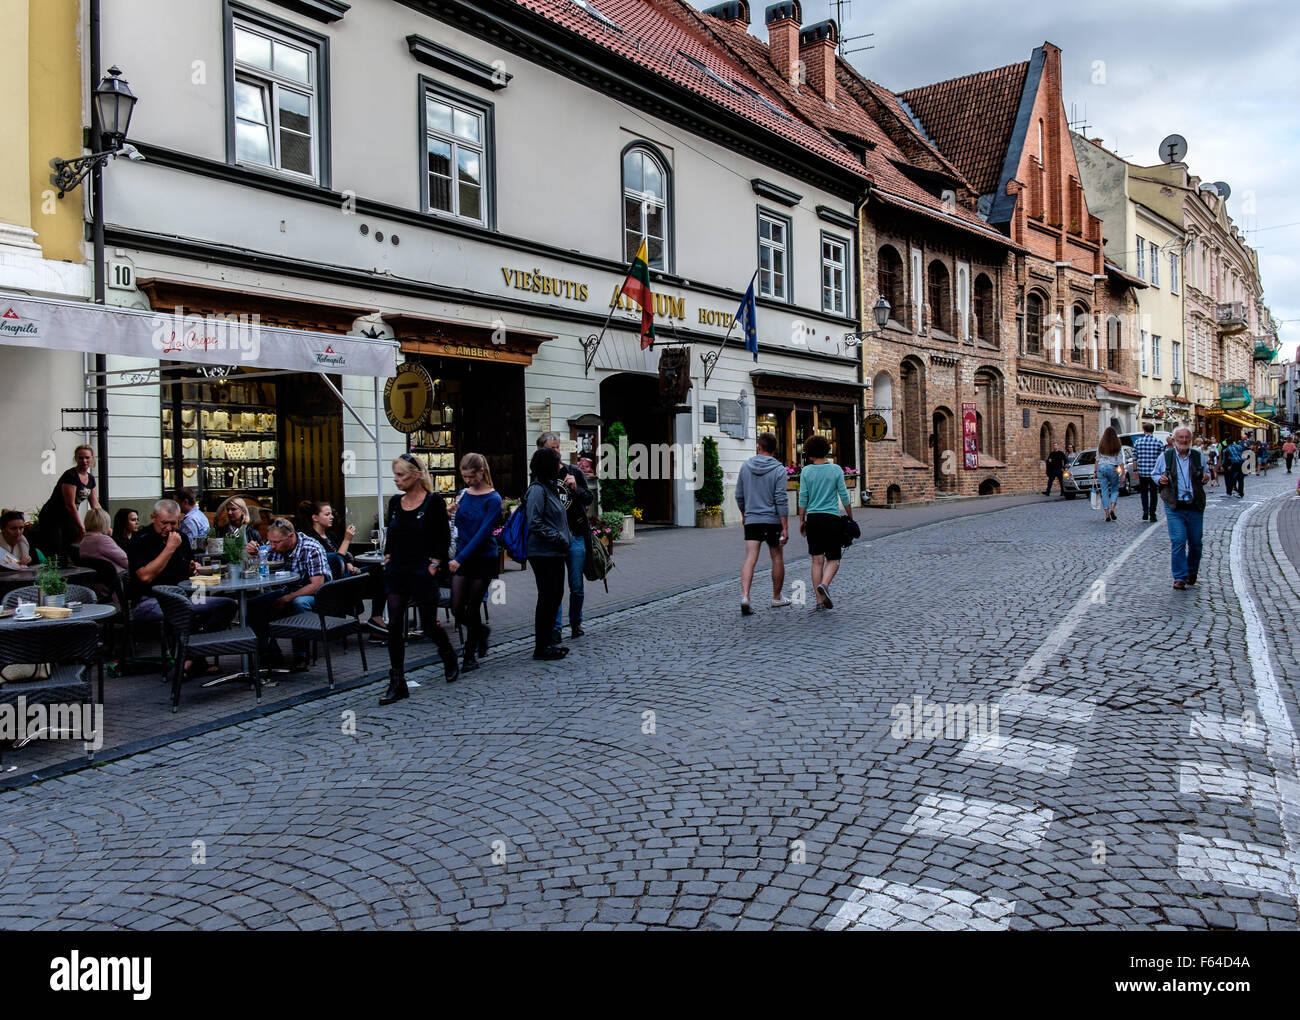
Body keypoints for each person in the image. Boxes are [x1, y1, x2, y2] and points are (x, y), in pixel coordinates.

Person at [378, 454, 459, 705]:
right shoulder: (394, 502)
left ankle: (447, 654)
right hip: (398, 571)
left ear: (415, 475)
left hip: (421, 571)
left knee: (427, 624)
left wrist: (434, 565)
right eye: (395, 475)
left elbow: (442, 538)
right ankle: (397, 680)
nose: (396, 480)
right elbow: (391, 532)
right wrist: (388, 555)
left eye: (401, 475)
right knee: (394, 625)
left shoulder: (433, 502)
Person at [128, 499, 237, 675]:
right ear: (153, 518)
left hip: (185, 595)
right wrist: (169, 549)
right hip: (149, 600)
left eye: (173, 523)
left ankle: (193, 656)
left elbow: (185, 571)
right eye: (164, 523)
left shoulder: (182, 538)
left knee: (227, 605)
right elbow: (145, 576)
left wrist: (191, 568)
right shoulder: (140, 540)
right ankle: (190, 661)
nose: (169, 528)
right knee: (183, 611)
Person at [244, 518, 330, 673]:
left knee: (299, 603)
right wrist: (253, 554)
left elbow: (317, 584)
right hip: (285, 589)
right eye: (270, 542)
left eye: (276, 542)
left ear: (291, 536)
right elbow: (258, 568)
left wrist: (286, 599)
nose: (272, 546)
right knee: (253, 605)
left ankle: (301, 655)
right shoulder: (273, 548)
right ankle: (268, 652)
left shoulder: (311, 547)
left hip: (316, 594)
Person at [447, 453, 502, 672]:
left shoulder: (493, 499)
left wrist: (459, 559)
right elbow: (456, 525)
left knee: (472, 607)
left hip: (483, 558)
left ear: (482, 472)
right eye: (464, 477)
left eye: (471, 477)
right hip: (463, 554)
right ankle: (481, 631)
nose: (468, 481)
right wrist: (449, 512)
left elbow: (483, 533)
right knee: (456, 607)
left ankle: (469, 655)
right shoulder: (463, 494)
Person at [537, 432, 594, 642]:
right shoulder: (541, 478)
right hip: (554, 540)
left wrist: (576, 488)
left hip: (575, 535)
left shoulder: (574, 472)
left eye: (558, 447)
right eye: (552, 448)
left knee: (576, 586)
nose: (557, 451)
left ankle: (576, 622)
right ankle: (556, 628)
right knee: (555, 588)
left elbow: (589, 499)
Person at [300, 499, 387, 634]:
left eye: (331, 514)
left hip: (346, 576)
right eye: (327, 514)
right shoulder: (311, 539)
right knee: (376, 578)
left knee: (380, 572)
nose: (332, 517)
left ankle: (375, 617)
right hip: (333, 584)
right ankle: (372, 621)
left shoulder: (331, 535)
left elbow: (344, 558)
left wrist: (351, 566)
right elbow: (333, 562)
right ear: (315, 518)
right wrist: (347, 540)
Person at [734, 432, 790, 615]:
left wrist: (744, 514)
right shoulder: (779, 470)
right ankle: (776, 597)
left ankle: (745, 596)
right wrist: (785, 526)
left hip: (752, 520)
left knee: (750, 557)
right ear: (774, 450)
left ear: (759, 447)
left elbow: (739, 495)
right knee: (777, 557)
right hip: (772, 521)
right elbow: (781, 499)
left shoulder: (745, 467)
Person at [524, 447, 572, 661]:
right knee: (547, 598)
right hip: (543, 553)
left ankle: (548, 642)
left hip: (554, 552)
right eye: (557, 462)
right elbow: (534, 522)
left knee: (554, 597)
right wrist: (558, 537)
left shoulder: (550, 487)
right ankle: (541, 646)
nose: (560, 466)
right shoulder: (537, 490)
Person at [797, 434, 854, 609]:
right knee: (834, 558)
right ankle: (825, 584)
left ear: (809, 452)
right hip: (831, 518)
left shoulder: (806, 471)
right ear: (826, 451)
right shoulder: (836, 470)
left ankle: (819, 600)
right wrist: (850, 516)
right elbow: (844, 495)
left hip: (813, 519)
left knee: (816, 560)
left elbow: (803, 497)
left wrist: (801, 519)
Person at [1155, 426, 1210, 590]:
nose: (1184, 440)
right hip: (1174, 505)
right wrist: (1160, 479)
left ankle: (1191, 571)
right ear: (1174, 440)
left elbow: (1205, 473)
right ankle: (1179, 577)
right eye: (1180, 438)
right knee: (1178, 540)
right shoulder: (1166, 457)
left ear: (1190, 439)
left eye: (1187, 437)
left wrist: (1206, 477)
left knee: (1195, 542)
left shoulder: (1198, 456)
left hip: (1195, 504)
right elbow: (1155, 474)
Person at [31, 444, 100, 560]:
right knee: (57, 551)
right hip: (52, 517)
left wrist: (104, 524)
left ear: (92, 458)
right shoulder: (71, 475)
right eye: (80, 458)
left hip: (69, 517)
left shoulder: (91, 479)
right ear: (76, 459)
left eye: (87, 457)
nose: (84, 461)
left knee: (71, 547)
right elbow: (70, 505)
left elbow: (95, 504)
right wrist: (81, 527)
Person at [1131, 423, 1165, 523]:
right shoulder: (1158, 442)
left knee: (1144, 493)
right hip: (1154, 473)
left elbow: (1134, 458)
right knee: (1154, 493)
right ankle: (1152, 514)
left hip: (1142, 471)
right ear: (1153, 430)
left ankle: (1145, 511)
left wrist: (1135, 470)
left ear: (1144, 430)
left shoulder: (1138, 442)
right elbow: (1162, 459)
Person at [1095, 427, 1124, 522]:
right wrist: (1123, 473)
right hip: (1112, 467)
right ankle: (1112, 509)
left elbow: (1097, 459)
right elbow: (1120, 461)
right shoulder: (1117, 445)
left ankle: (1107, 514)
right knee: (1115, 490)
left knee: (1104, 491)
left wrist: (1095, 471)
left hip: (1101, 467)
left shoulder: (1101, 444)